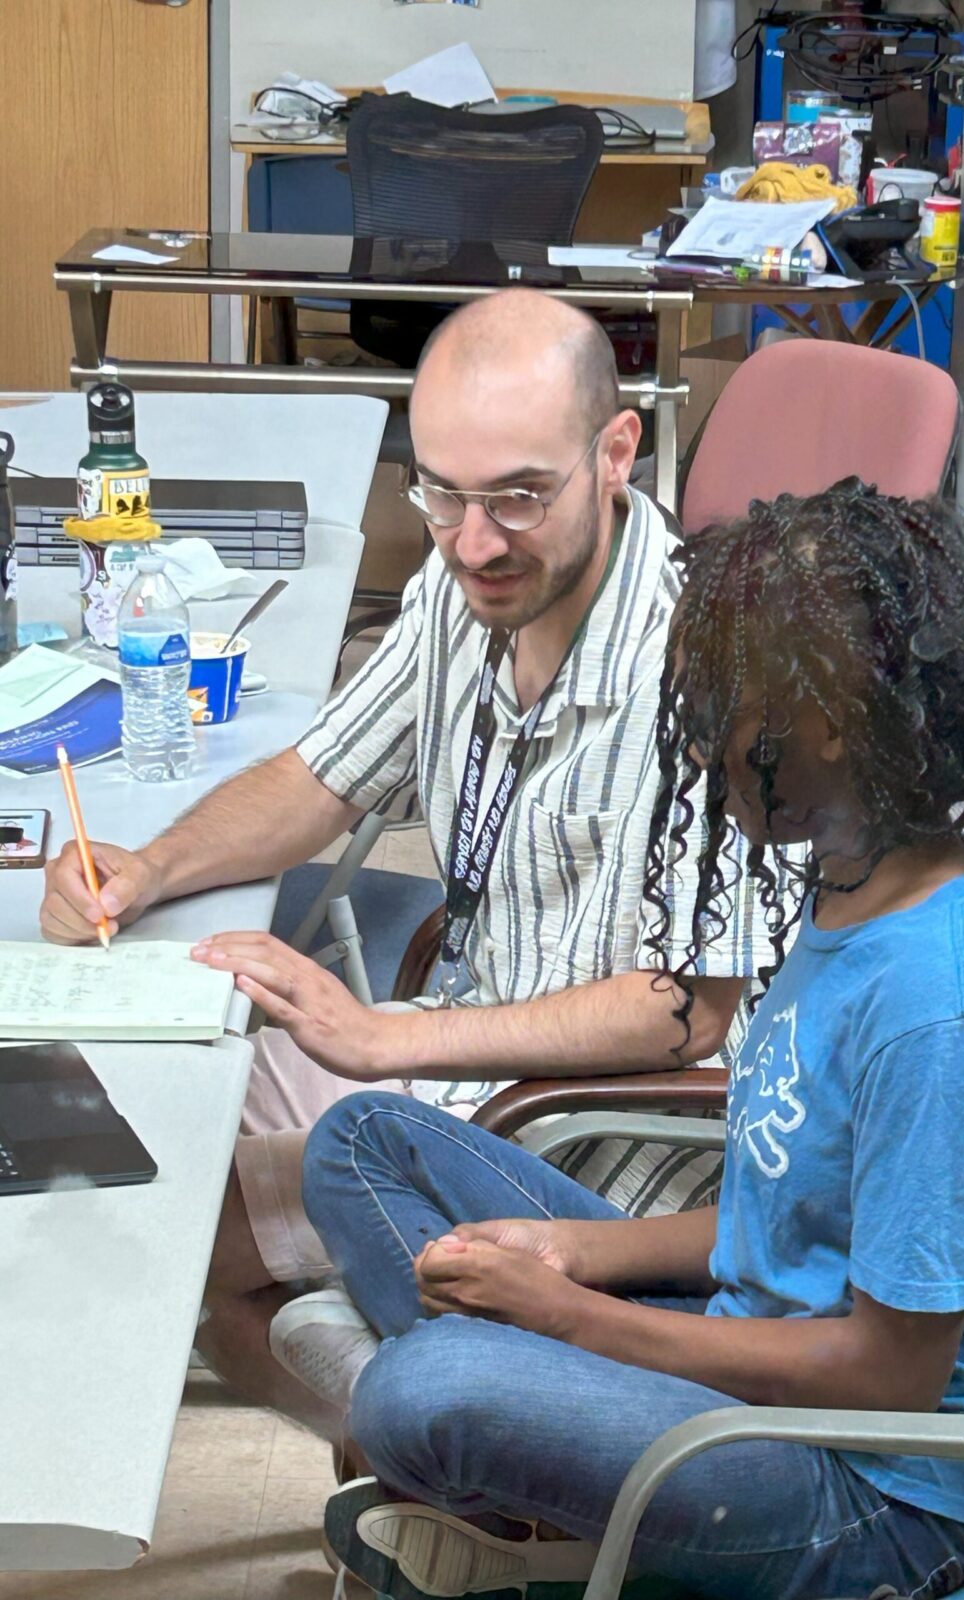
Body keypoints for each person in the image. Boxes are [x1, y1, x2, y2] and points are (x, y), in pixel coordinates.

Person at [299, 481, 964, 1600]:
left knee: (420, 1392)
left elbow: (888, 1380)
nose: (698, 742)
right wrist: (576, 1256)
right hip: (762, 1354)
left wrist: (573, 1322)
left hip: (868, 1490)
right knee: (362, 1140)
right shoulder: (854, 883)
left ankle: (477, 1441)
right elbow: (794, 1211)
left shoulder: (942, 1012)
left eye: (719, 705)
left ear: (832, 722)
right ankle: (501, 1450)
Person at [39, 290, 772, 1439]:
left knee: (168, 1223)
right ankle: (433, 1457)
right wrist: (147, 866)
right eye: (441, 493)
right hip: (458, 1061)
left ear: (616, 451)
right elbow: (319, 778)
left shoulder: (703, 667)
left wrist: (387, 1040)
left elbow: (686, 1013)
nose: (474, 540)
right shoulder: (468, 582)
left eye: (518, 496)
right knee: (145, 1096)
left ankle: (468, 1461)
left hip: (585, 1147)